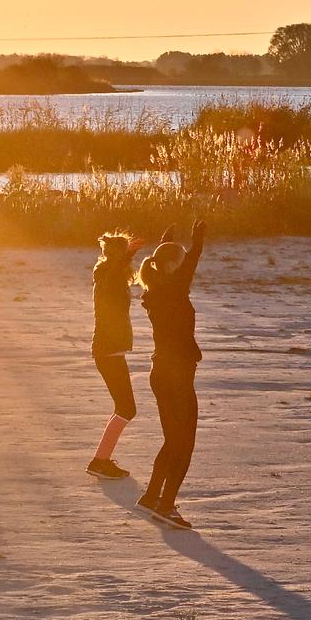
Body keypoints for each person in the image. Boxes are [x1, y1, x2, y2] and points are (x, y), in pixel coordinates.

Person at [136, 220, 206, 530]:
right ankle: (166, 506)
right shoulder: (173, 289)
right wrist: (197, 242)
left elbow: (174, 266)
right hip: (176, 377)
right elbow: (188, 266)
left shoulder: (155, 289)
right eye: (178, 263)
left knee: (172, 441)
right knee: (183, 445)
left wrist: (167, 245)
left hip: (161, 372)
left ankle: (151, 496)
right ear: (170, 267)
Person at [87, 230, 147, 480]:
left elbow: (114, 269)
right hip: (107, 351)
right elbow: (113, 269)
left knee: (124, 407)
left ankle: (101, 460)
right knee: (126, 408)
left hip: (111, 351)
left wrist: (127, 253)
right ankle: (99, 462)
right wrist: (125, 255)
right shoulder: (108, 277)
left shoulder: (108, 276)